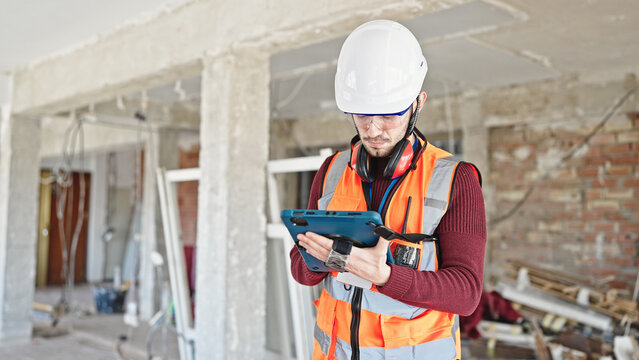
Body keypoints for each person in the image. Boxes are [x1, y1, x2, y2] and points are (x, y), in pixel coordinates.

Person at [290, 19, 486, 360]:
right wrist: (327, 256)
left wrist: (384, 276)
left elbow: (466, 293)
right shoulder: (332, 171)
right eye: (363, 114)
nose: (374, 128)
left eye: (390, 114)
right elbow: (300, 270)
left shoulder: (456, 179)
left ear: (418, 103)